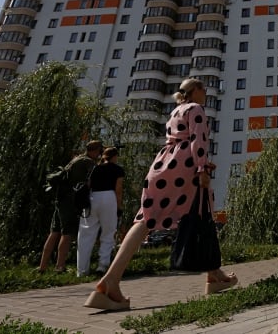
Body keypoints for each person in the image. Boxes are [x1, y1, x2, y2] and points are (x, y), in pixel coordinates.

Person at [84, 78, 237, 311]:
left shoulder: (176, 110)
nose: (206, 93)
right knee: (202, 213)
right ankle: (110, 283)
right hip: (185, 166)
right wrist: (202, 169)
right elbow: (199, 141)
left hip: (163, 164)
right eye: (203, 89)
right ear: (194, 91)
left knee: (148, 218)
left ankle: (214, 274)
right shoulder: (195, 109)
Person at [39, 140, 103, 273]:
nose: (100, 154)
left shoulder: (77, 158)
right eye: (100, 151)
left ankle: (42, 267)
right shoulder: (88, 162)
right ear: (95, 150)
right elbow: (94, 181)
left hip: (60, 199)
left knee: (54, 232)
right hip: (69, 201)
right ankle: (60, 267)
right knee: (67, 233)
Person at [76, 146, 125, 277]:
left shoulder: (95, 168)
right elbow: (118, 190)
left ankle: (81, 270)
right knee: (108, 232)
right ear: (114, 156)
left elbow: (88, 184)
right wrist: (119, 207)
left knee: (86, 234)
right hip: (109, 198)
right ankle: (102, 266)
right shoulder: (118, 169)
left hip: (92, 198)